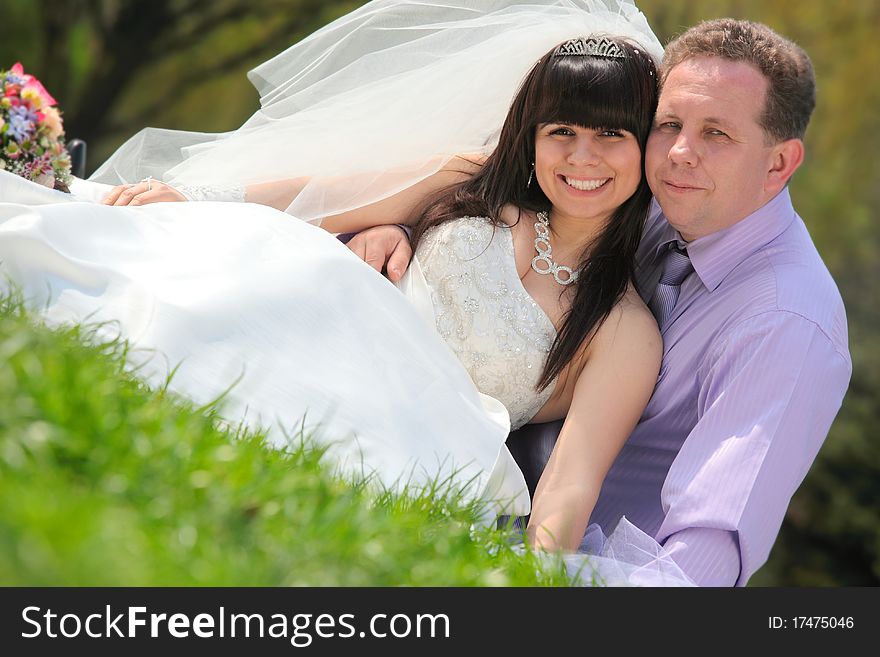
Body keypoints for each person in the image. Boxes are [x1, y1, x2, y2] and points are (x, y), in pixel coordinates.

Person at [0, 1, 697, 584]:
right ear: (533, 136)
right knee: (191, 275)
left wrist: (533, 581)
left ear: (646, 147)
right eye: (562, 132)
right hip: (332, 313)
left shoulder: (621, 330)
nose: (581, 157)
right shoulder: (473, 183)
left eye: (610, 135)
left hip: (419, 426)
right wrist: (191, 194)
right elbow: (331, 197)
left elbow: (571, 481)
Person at [351, 18, 853, 586]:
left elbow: (708, 554)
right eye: (669, 124)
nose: (681, 153)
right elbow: (496, 207)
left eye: (718, 134)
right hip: (450, 452)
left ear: (779, 163)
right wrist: (401, 230)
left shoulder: (787, 323)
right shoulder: (644, 199)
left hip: (592, 565)